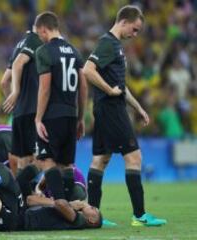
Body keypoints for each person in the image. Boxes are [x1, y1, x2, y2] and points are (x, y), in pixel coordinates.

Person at [82, 5, 167, 227]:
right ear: (124, 21)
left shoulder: (115, 46)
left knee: (101, 159)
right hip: (110, 109)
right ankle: (139, 216)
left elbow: (119, 84)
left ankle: (93, 217)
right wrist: (110, 91)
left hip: (105, 108)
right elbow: (87, 70)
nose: (135, 34)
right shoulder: (108, 43)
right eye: (135, 29)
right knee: (134, 157)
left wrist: (137, 107)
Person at [33, 11, 87, 201]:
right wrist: (81, 118)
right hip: (71, 115)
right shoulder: (74, 51)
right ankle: (72, 205)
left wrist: (38, 118)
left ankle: (61, 207)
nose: (39, 38)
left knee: (47, 161)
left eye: (39, 34)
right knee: (66, 164)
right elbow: (83, 86)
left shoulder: (44, 51)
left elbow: (45, 88)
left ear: (43, 29)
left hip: (52, 115)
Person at [1, 24, 43, 171]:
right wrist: (16, 92)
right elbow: (19, 63)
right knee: (44, 158)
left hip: (19, 113)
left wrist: (14, 105)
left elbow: (4, 81)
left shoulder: (19, 45)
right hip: (33, 108)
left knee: (23, 160)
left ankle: (22, 193)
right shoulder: (35, 40)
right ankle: (38, 190)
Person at [23, 199, 102, 231]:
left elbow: (60, 204)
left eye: (94, 209)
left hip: (27, 220)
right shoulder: (75, 215)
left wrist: (71, 204)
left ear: (91, 220)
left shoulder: (80, 221)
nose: (92, 206)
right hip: (27, 216)